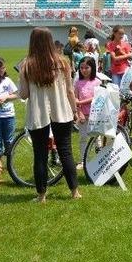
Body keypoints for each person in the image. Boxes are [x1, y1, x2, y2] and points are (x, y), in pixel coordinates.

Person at [17, 27, 82, 202]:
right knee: (65, 151)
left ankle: (41, 195)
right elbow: (69, 91)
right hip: (62, 110)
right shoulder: (62, 63)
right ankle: (75, 191)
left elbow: (23, 94)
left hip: (38, 113)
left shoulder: (26, 65)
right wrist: (75, 110)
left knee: (40, 155)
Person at [74, 56, 100, 169]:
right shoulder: (78, 82)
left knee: (96, 138)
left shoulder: (97, 82)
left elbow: (96, 98)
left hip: (95, 114)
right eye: (81, 68)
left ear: (92, 68)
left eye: (87, 67)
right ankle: (83, 160)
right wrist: (79, 112)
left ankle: (99, 158)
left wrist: (81, 101)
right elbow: (75, 98)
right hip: (83, 115)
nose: (84, 70)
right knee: (83, 138)